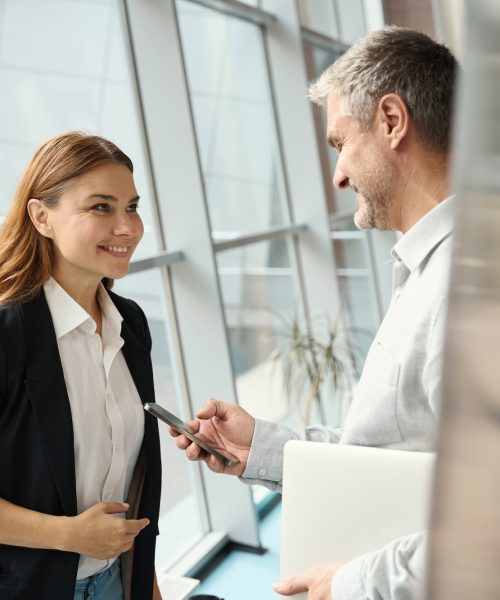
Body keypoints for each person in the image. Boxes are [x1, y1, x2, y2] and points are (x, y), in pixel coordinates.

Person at [170, 26, 458, 600]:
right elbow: (391, 451)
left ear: (392, 121)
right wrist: (263, 449)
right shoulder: (427, 270)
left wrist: (349, 583)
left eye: (339, 143)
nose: (338, 176)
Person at [0, 131, 162, 600]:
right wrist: (67, 535)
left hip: (117, 582)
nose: (127, 227)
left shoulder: (129, 323)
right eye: (100, 207)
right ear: (41, 216)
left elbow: (134, 484)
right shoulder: (8, 333)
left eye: (131, 207)